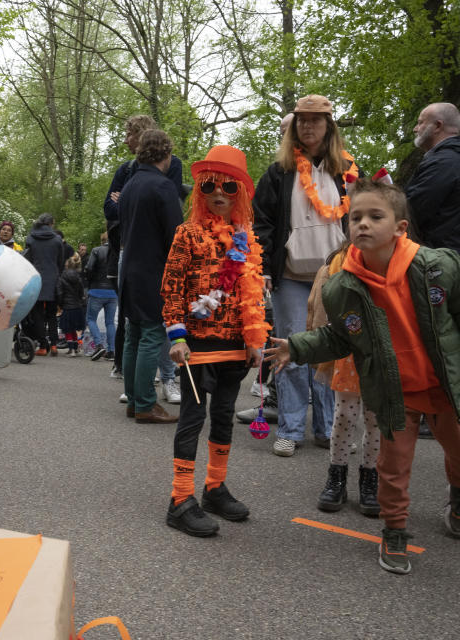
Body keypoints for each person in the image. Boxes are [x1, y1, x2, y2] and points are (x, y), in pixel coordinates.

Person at [265, 178, 460, 575]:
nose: (363, 224)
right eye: (355, 217)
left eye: (375, 216)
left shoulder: (438, 266)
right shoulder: (343, 286)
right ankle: (394, 529)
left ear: (400, 227)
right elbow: (339, 336)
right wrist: (297, 347)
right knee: (393, 468)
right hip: (394, 393)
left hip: (442, 387)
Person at [161, 145, 269, 536]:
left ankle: (214, 488)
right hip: (197, 344)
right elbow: (172, 287)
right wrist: (176, 334)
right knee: (193, 417)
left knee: (224, 415)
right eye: (209, 185)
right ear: (199, 191)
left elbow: (251, 294)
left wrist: (256, 339)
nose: (219, 192)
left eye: (228, 185)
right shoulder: (186, 234)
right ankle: (179, 498)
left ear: (239, 191)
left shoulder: (246, 238)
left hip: (236, 345)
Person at [253, 94, 360, 457]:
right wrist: (265, 270)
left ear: (329, 126)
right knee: (291, 350)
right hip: (291, 275)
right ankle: (290, 427)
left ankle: (328, 427)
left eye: (316, 120)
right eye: (302, 120)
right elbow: (263, 224)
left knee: (330, 351)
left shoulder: (346, 172)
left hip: (335, 275)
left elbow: (359, 219)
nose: (308, 126)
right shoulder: (278, 172)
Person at [406, 103, 460, 438]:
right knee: (444, 335)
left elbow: (414, 207)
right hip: (457, 261)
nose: (416, 128)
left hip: (437, 264)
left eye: (420, 121)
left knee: (437, 337)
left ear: (438, 125)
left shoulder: (445, 162)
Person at [307, 243, 381, 515]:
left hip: (384, 351)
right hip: (350, 348)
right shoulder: (341, 260)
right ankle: (336, 477)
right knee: (345, 416)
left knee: (376, 418)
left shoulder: (399, 258)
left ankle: (369, 479)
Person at [118, 129, 183, 424]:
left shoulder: (130, 185)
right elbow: (176, 235)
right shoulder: (162, 186)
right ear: (166, 154)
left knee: (134, 334)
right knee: (152, 335)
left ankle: (134, 400)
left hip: (129, 269)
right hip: (153, 271)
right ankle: (146, 403)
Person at [24, 213, 65, 356]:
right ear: (51, 224)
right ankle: (54, 345)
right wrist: (56, 273)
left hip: (36, 279)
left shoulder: (30, 238)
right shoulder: (57, 240)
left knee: (38, 315)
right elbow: (61, 262)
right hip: (52, 280)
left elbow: (27, 260)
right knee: (52, 314)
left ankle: (43, 346)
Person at [84, 232, 117, 360]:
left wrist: (90, 281)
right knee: (110, 322)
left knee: (91, 319)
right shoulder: (117, 252)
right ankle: (111, 350)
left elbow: (89, 268)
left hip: (96, 290)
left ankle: (98, 345)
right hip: (113, 292)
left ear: (102, 240)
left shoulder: (96, 250)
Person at [56, 254, 86, 356]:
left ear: (67, 265)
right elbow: (82, 292)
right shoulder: (78, 277)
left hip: (67, 307)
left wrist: (60, 304)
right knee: (74, 328)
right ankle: (76, 348)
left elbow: (60, 293)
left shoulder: (62, 277)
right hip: (77, 307)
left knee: (68, 329)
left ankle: (71, 350)